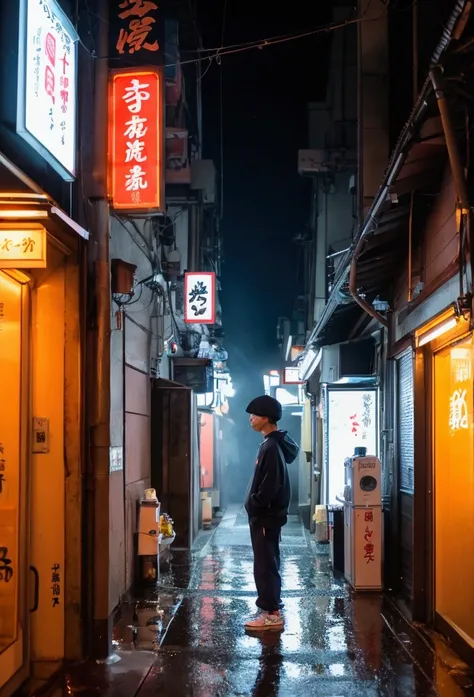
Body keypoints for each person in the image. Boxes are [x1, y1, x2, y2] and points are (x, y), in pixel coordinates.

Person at [244, 395, 299, 631]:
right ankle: (270, 608)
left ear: (266, 419)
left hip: (265, 516)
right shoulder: (270, 444)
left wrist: (255, 504)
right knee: (267, 561)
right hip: (266, 516)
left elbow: (270, 485)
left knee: (265, 564)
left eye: (254, 415)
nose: (251, 419)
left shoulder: (271, 446)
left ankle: (271, 614)